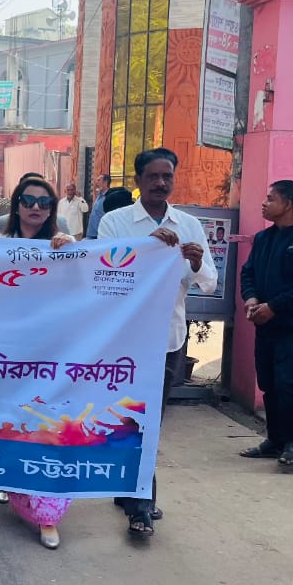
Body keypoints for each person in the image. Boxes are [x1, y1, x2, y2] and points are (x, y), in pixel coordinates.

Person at [97, 147, 217, 538]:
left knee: (151, 421)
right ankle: (135, 495)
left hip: (167, 338)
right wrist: (146, 249)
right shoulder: (116, 223)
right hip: (124, 340)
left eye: (167, 176)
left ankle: (138, 498)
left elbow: (209, 282)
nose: (161, 183)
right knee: (127, 418)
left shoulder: (189, 224)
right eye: (153, 176)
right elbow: (104, 274)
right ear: (138, 181)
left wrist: (196, 263)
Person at [0, 175, 76, 548]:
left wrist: (73, 253)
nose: (36, 208)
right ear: (16, 205)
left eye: (44, 202)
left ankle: (48, 515)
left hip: (51, 357)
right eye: (28, 200)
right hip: (7, 357)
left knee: (48, 431)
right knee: (11, 426)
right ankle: (9, 483)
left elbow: (90, 288)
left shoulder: (64, 247)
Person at [239, 180, 293, 469]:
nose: (264, 203)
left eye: (271, 199)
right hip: (263, 322)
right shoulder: (263, 238)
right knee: (267, 381)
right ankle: (274, 440)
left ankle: (292, 443)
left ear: (288, 204)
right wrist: (252, 299)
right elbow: (248, 272)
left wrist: (274, 307)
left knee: (285, 381)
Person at [86, 174, 113, 239]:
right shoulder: (99, 196)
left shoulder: (109, 197)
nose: (96, 182)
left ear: (105, 182)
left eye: (99, 180)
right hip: (92, 233)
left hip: (100, 234)